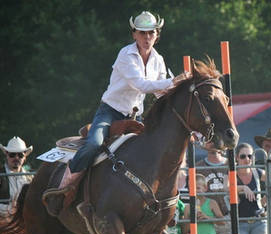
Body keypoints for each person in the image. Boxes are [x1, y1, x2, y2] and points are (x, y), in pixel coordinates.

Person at [43, 11, 188, 216]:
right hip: (110, 113)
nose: (147, 37)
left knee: (154, 151)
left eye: (151, 33)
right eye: (142, 33)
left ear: (157, 35)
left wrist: (177, 90)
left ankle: (154, 210)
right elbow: (141, 84)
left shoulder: (158, 59)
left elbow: (157, 92)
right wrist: (174, 81)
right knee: (94, 144)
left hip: (134, 117)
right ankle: (64, 188)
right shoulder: (125, 54)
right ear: (134, 35)